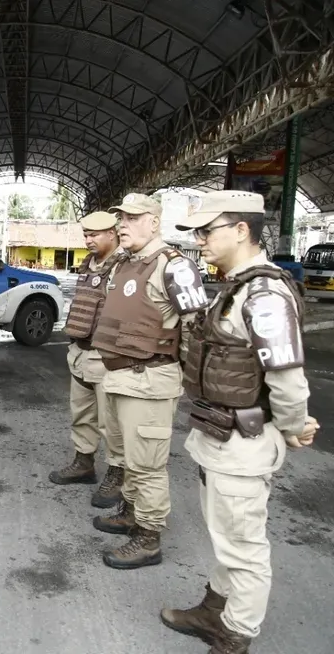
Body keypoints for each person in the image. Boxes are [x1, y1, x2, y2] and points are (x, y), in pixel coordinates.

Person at [161, 190, 319, 654]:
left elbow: (287, 376)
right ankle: (217, 607)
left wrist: (294, 426)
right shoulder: (238, 286)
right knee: (227, 537)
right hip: (218, 436)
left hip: (243, 441)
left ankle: (236, 634)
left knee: (244, 546)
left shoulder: (265, 294)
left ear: (242, 230)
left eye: (208, 231)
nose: (200, 241)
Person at [90, 193, 208, 569]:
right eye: (120, 218)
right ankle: (129, 512)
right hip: (119, 377)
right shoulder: (126, 263)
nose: (122, 225)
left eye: (132, 218)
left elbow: (196, 330)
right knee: (124, 456)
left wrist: (192, 381)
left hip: (150, 379)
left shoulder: (175, 267)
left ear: (154, 222)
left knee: (148, 466)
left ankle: (148, 537)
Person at [50, 211, 127, 508]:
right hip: (81, 351)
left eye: (95, 234)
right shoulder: (88, 263)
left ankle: (117, 475)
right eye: (85, 234)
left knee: (112, 423)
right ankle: (83, 463)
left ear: (113, 233)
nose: (88, 240)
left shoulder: (124, 266)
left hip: (105, 356)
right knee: (81, 414)